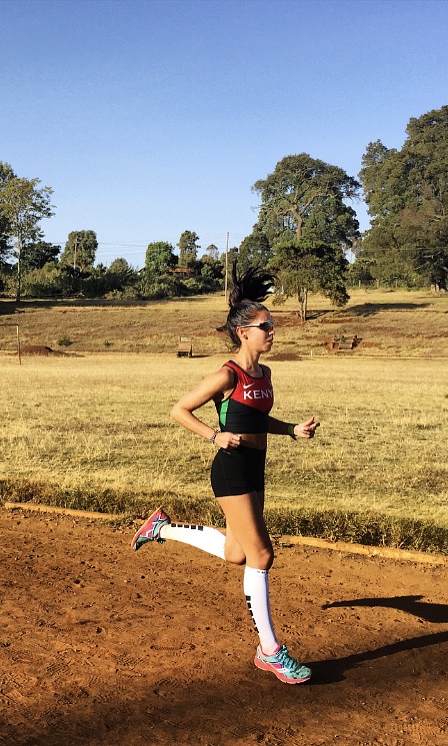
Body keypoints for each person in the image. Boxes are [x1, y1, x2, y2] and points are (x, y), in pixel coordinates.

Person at [131, 262, 319, 685]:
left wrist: (291, 430)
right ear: (243, 332)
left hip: (256, 468)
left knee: (237, 553)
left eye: (272, 324)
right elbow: (179, 410)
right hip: (231, 471)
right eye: (265, 325)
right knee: (262, 555)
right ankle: (269, 651)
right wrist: (213, 436)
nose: (272, 330)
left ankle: (161, 529)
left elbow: (256, 420)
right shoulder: (226, 374)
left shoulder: (265, 373)